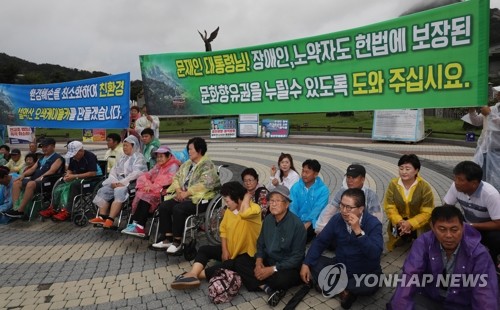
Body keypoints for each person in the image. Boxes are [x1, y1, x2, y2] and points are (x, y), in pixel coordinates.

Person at [388, 205, 499, 310]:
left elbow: (485, 294)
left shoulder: (479, 253)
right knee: (397, 301)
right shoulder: (423, 243)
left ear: (463, 226)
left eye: (454, 229)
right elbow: (410, 275)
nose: (448, 235)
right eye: (442, 229)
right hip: (430, 298)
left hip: (462, 304)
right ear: (432, 226)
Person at [300, 188, 383, 310]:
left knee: (372, 283)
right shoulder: (337, 219)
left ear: (361, 209)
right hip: (341, 266)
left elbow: (375, 253)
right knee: (312, 261)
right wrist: (306, 264)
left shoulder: (373, 223)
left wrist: (358, 232)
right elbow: (321, 241)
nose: (344, 211)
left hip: (364, 270)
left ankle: (336, 287)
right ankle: (344, 291)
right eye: (342, 205)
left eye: (349, 207)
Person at [170, 181, 262, 290]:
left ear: (237, 198)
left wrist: (246, 197)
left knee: (232, 264)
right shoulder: (229, 211)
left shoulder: (255, 209)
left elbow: (245, 213)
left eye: (227, 201)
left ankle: (196, 276)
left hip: (247, 255)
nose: (225, 204)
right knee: (204, 249)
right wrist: (224, 250)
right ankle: (193, 274)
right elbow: (223, 230)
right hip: (230, 250)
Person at [231, 185, 306, 307]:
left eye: (277, 201)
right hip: (269, 260)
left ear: (287, 204)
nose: (273, 204)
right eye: (271, 200)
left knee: (281, 280)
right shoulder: (268, 220)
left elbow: (297, 258)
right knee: (240, 261)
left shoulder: (297, 225)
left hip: (286, 267)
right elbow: (261, 243)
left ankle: (268, 283)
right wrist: (258, 262)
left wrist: (272, 270)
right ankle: (267, 288)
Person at [152, 137, 220, 254]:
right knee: (164, 206)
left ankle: (177, 242)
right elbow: (176, 177)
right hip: (183, 195)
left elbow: (204, 185)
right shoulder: (187, 164)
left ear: (199, 150)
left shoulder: (207, 165)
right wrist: (178, 191)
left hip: (201, 199)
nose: (188, 152)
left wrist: (186, 193)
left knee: (178, 209)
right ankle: (168, 238)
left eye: (190, 149)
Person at [443, 161, 500, 273]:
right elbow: (446, 208)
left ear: (474, 183)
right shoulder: (455, 187)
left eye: (460, 180)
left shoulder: (490, 194)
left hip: (488, 228)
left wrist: (471, 226)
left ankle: (492, 264)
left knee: (496, 238)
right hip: (468, 224)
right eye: (455, 178)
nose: (456, 182)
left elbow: (498, 223)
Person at [121, 145, 181, 237]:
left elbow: (168, 180)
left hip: (165, 191)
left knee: (146, 196)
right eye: (158, 157)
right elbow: (148, 174)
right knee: (142, 193)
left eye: (161, 156)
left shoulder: (173, 166)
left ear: (169, 156)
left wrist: (152, 186)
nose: (159, 159)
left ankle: (140, 225)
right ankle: (135, 224)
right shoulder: (158, 166)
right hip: (154, 190)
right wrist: (147, 183)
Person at [89, 136, 147, 228]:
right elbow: (114, 170)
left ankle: (111, 219)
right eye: (123, 146)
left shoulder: (139, 157)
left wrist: (123, 182)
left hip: (132, 183)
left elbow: (137, 173)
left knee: (119, 191)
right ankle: (102, 216)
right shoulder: (122, 158)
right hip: (118, 181)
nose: (124, 148)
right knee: (103, 190)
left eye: (126, 146)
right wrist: (114, 181)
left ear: (133, 146)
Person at [384, 154, 434, 251]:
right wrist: (400, 221)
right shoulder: (393, 184)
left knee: (422, 245)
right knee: (395, 232)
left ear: (416, 170)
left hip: (419, 222)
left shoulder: (424, 187)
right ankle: (402, 238)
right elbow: (390, 206)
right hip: (399, 221)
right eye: (401, 168)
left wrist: (410, 223)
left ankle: (417, 241)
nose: (403, 172)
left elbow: (427, 212)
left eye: (407, 169)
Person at [40, 141, 101, 221]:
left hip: (93, 179)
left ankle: (67, 210)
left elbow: (92, 173)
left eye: (74, 154)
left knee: (74, 185)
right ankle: (53, 207)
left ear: (80, 151)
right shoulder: (73, 157)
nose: (73, 157)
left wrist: (74, 176)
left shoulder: (90, 156)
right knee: (59, 183)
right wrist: (67, 175)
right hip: (79, 177)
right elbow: (70, 170)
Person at [5, 138, 64, 218]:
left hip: (47, 182)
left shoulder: (58, 158)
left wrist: (39, 178)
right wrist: (23, 175)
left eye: (46, 147)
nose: (44, 149)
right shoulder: (41, 158)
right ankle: (15, 207)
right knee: (16, 182)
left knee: (30, 184)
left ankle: (21, 210)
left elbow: (51, 171)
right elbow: (32, 169)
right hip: (35, 180)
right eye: (43, 147)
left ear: (53, 146)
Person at [316, 164, 383, 235]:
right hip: (342, 229)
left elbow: (377, 218)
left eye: (354, 178)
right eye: (348, 177)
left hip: (362, 231)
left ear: (363, 179)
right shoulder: (341, 192)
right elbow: (329, 211)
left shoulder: (371, 195)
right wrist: (321, 229)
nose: (350, 181)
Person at [289, 159, 329, 242]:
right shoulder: (295, 187)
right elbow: (293, 207)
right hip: (296, 220)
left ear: (316, 174)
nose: (303, 174)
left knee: (299, 238)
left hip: (312, 222)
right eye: (303, 171)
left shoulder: (323, 190)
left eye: (307, 172)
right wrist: (297, 224)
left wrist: (307, 224)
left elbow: (317, 210)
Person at [468, 93, 500, 190]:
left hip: (497, 152)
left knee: (497, 180)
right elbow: (477, 121)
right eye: (498, 93)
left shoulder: (490, 111)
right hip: (484, 150)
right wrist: (472, 109)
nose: (498, 94)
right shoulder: (492, 108)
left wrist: (489, 114)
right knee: (480, 177)